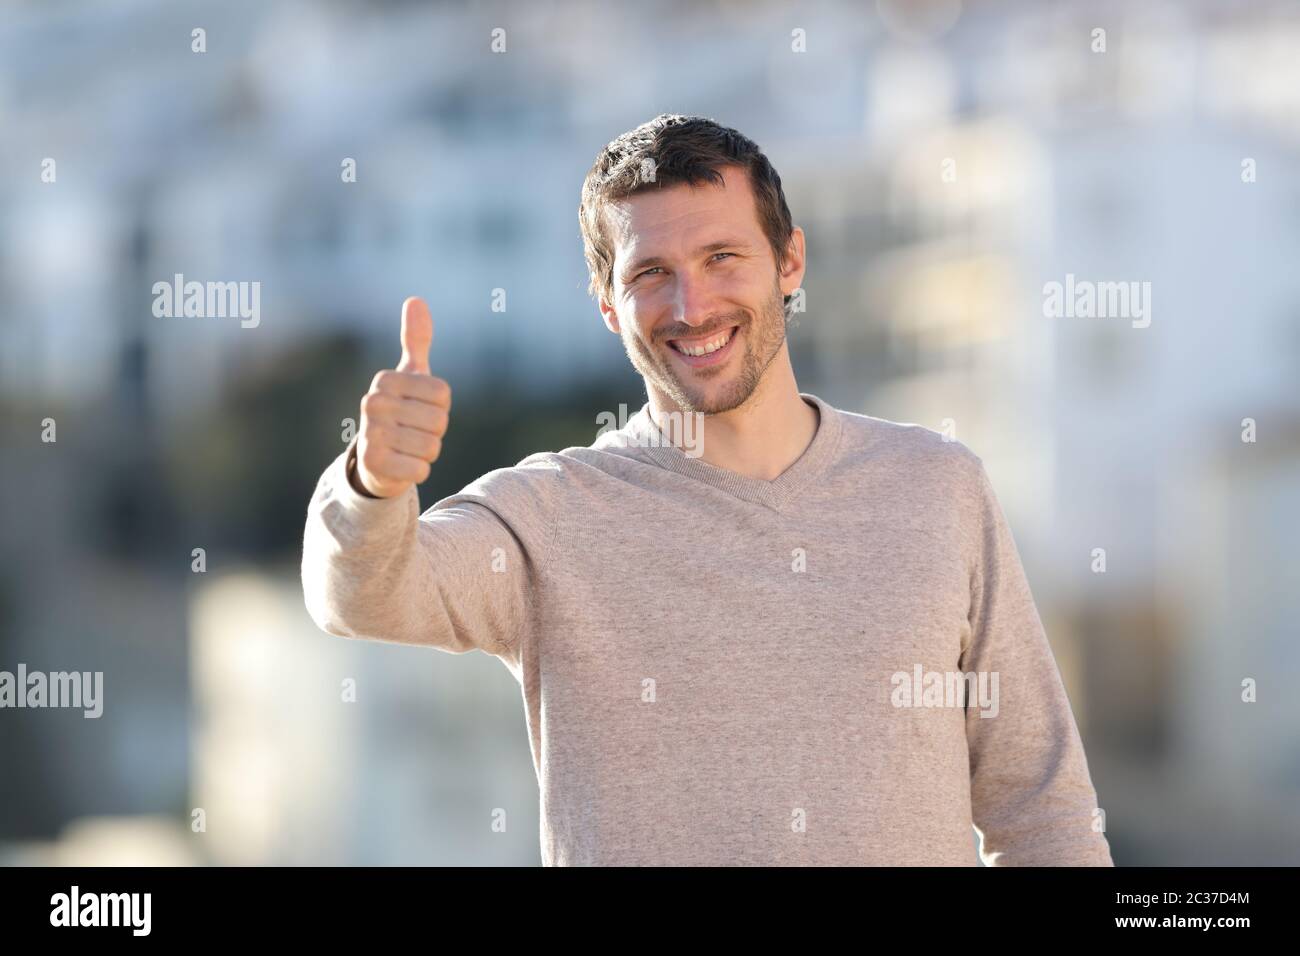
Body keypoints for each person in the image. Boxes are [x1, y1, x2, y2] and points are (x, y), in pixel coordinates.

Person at [301, 113, 1114, 866]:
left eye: (722, 257)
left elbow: (1040, 807)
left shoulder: (939, 487)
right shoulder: (546, 517)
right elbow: (363, 597)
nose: (693, 306)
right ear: (609, 306)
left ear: (789, 260)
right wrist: (372, 484)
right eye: (651, 272)